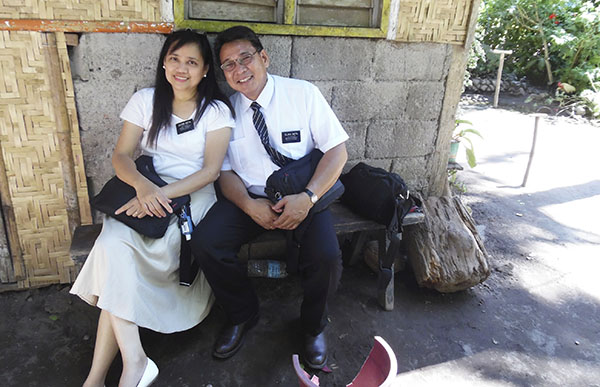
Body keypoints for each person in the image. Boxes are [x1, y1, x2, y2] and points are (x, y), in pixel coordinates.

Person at [70, 30, 235, 387]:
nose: (181, 68)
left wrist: (162, 196)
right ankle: (126, 366)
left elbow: (210, 171)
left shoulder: (216, 111)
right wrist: (145, 188)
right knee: (112, 247)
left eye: (192, 62)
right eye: (175, 59)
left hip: (193, 197)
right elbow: (121, 155)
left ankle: (104, 377)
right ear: (163, 61)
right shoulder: (145, 100)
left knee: (120, 266)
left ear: (205, 70)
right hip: (143, 190)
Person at [190, 26, 348, 369]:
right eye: (228, 65)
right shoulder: (225, 113)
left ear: (264, 57)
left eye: (245, 58)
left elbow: (337, 150)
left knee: (326, 257)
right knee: (206, 242)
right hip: (252, 199)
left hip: (303, 193)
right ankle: (242, 314)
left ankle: (312, 327)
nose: (238, 69)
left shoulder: (302, 94)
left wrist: (307, 197)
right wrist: (249, 205)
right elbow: (225, 172)